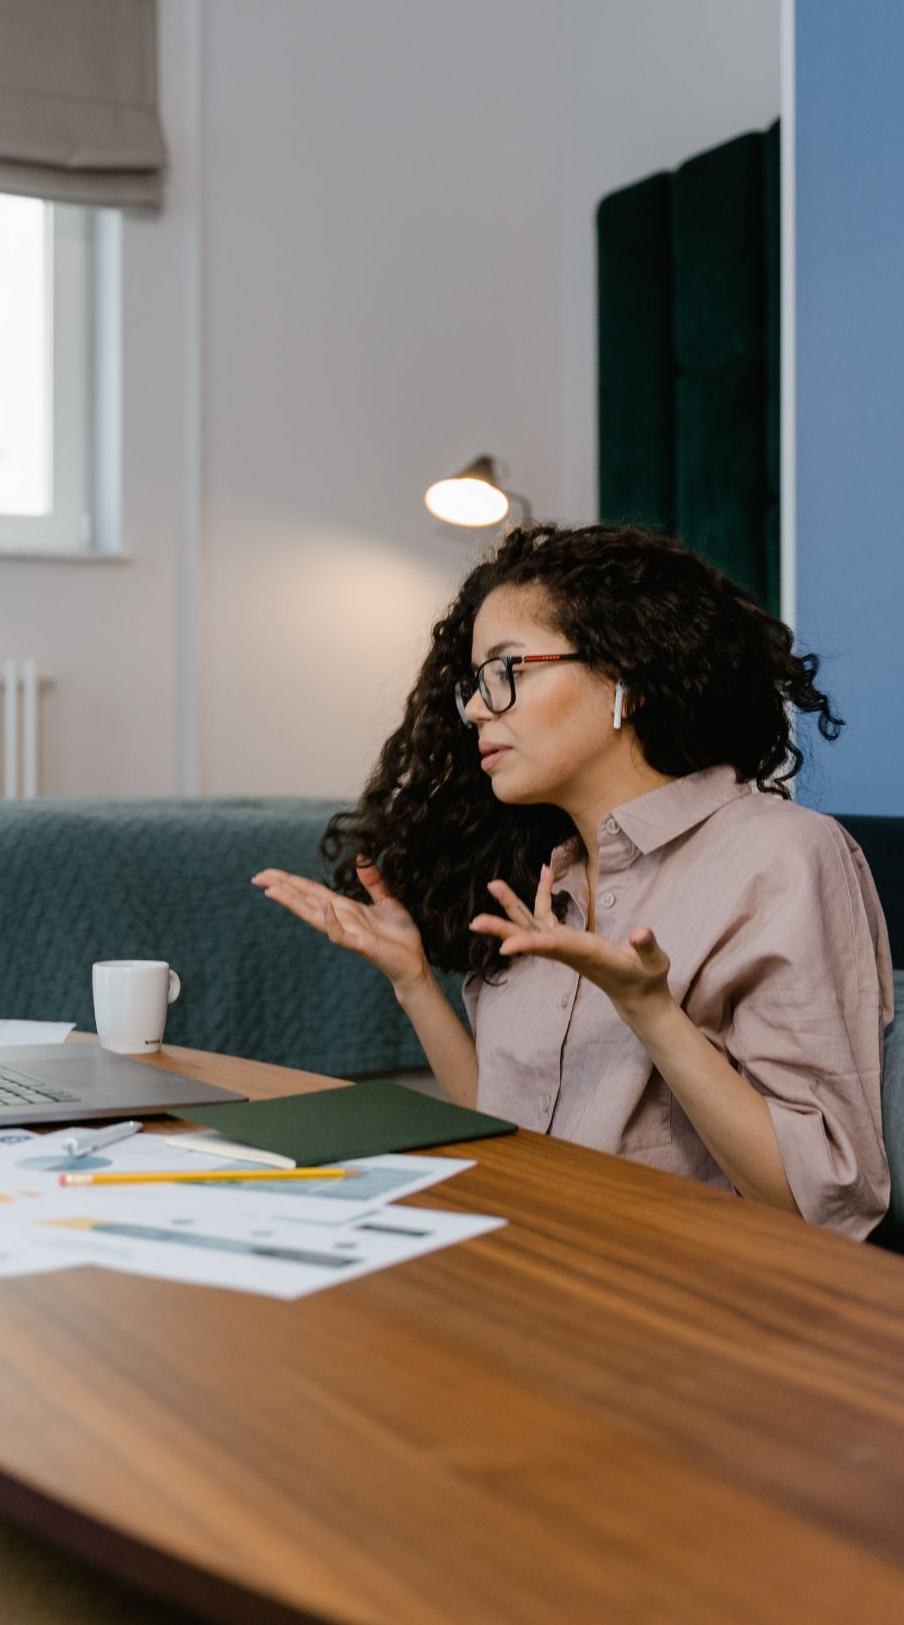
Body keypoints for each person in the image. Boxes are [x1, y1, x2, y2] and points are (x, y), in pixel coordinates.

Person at [253, 522, 892, 1238]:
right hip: (524, 1262)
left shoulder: (780, 856)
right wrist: (412, 983)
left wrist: (648, 1010)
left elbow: (824, 1204)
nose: (473, 708)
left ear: (626, 674)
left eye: (507, 671)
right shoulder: (541, 880)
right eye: (472, 682)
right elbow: (506, 1139)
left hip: (681, 1304)